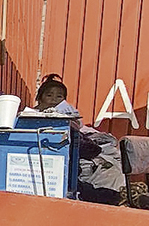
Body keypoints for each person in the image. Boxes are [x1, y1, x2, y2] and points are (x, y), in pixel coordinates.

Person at [33, 74, 125, 205]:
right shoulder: (30, 115)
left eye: (59, 96)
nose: (54, 99)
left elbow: (88, 147)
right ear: (40, 98)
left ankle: (113, 197)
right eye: (49, 95)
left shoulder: (69, 117)